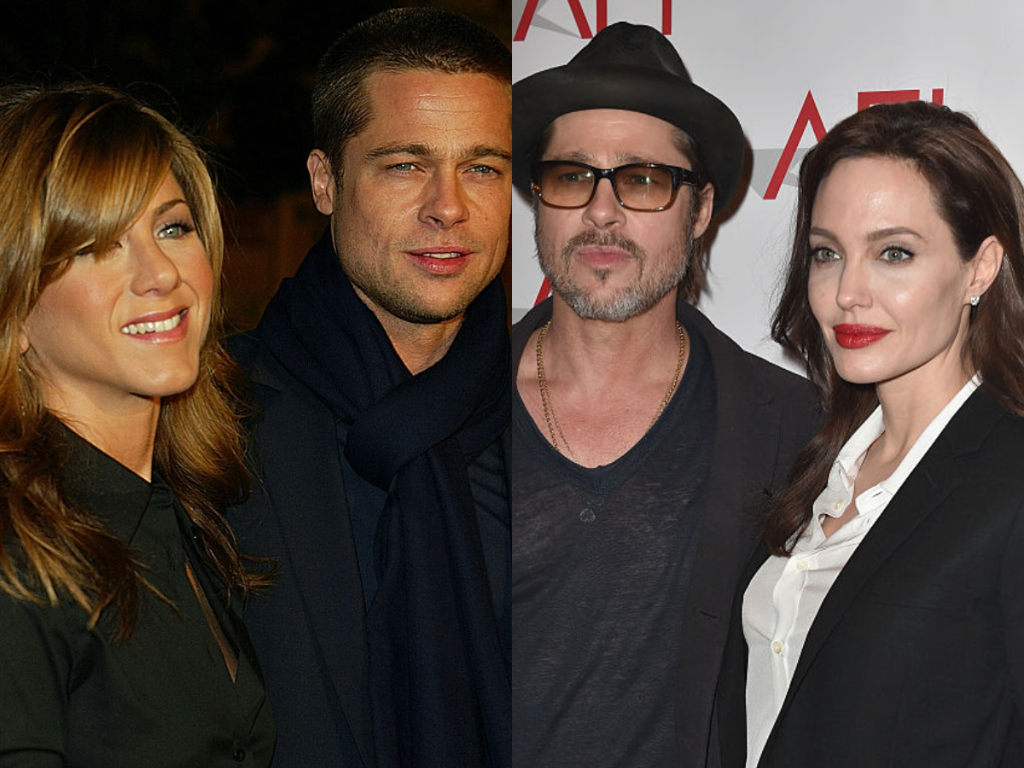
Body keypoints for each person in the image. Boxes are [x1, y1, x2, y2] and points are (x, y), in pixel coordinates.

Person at [510, 22, 816, 768]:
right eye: (573, 176)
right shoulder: (444, 413)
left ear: (700, 209)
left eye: (644, 179)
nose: (602, 212)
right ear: (539, 198)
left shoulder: (795, 429)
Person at [227, 8, 512, 768]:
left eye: (483, 167)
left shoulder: (562, 425)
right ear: (325, 182)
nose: (448, 206)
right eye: (406, 165)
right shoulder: (207, 421)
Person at [714, 100, 1024, 767]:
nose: (847, 292)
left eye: (894, 253)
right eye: (827, 253)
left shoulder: (1011, 478)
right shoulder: (818, 463)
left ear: (980, 268)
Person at [0, 83, 275, 766]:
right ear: (15, 306)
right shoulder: (17, 557)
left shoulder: (188, 514)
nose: (160, 275)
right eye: (96, 245)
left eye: (172, 228)